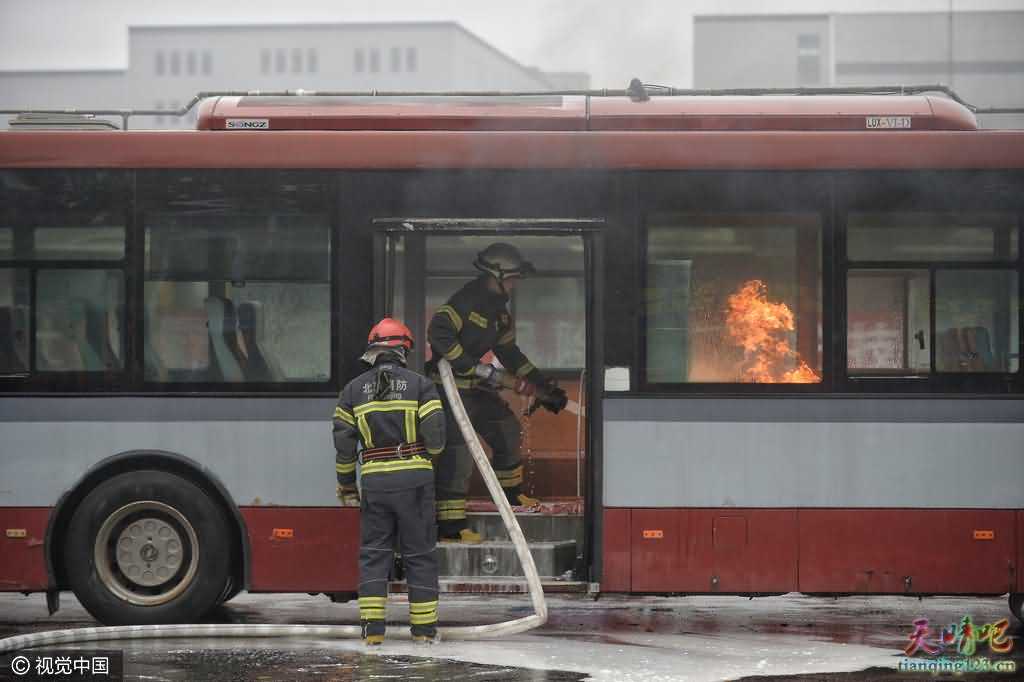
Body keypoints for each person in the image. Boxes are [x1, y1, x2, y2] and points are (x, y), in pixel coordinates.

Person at [427, 242, 566, 543]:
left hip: (476, 391)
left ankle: (511, 497)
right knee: (459, 455)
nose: (515, 284)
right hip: (449, 392)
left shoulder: (499, 314)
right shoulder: (465, 302)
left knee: (507, 430)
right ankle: (451, 527)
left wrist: (543, 386)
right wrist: (477, 368)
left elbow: (511, 353)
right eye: (513, 278)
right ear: (496, 275)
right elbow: (438, 333)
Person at [334, 318, 445, 645]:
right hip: (414, 482)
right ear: (404, 349)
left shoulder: (352, 391)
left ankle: (373, 633)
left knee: (374, 554)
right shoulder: (422, 386)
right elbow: (437, 440)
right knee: (420, 554)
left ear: (373, 350)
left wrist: (347, 485)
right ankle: (424, 632)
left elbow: (343, 447)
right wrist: (422, 462)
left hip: (374, 483)